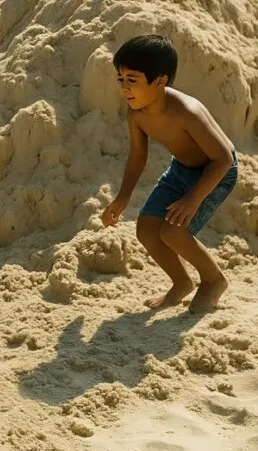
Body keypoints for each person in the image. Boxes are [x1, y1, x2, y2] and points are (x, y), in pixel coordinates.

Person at [100, 34, 238, 313]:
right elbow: (138, 155)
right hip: (180, 169)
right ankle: (181, 282)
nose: (125, 89)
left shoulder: (187, 112)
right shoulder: (136, 113)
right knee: (147, 230)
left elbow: (222, 158)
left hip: (216, 172)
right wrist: (122, 197)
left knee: (173, 231)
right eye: (121, 79)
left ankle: (214, 280)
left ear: (160, 81)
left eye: (133, 80)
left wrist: (193, 198)